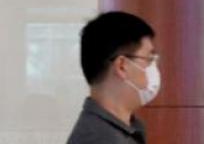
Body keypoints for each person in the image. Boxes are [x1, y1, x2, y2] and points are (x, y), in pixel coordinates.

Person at [67, 11, 160, 144]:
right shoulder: (99, 138)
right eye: (149, 59)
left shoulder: (122, 130)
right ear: (122, 66)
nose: (153, 68)